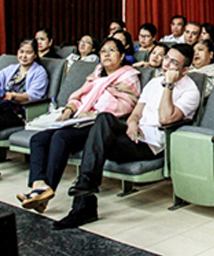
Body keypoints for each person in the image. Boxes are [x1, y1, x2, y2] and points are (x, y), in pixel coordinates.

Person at [53, 44, 200, 229]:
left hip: (150, 144)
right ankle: (86, 184)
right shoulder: (154, 82)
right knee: (104, 118)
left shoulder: (190, 91)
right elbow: (136, 113)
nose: (166, 65)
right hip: (135, 135)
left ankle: (84, 202)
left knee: (95, 142)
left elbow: (165, 119)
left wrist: (169, 85)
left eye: (173, 63)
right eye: (166, 58)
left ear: (185, 69)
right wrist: (132, 124)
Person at [18, 38, 140, 213]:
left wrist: (94, 113)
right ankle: (38, 185)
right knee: (39, 139)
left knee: (61, 137)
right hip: (77, 119)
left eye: (111, 50)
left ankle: (46, 191)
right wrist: (69, 110)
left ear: (121, 56)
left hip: (99, 126)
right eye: (103, 51)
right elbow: (78, 96)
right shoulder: (96, 75)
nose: (106, 54)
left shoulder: (128, 77)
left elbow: (127, 105)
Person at [0, 39, 49, 177]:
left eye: (28, 52)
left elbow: (34, 96)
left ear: (35, 55)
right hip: (3, 108)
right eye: (21, 52)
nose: (24, 56)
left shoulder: (39, 72)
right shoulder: (11, 69)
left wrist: (13, 96)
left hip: (20, 112)